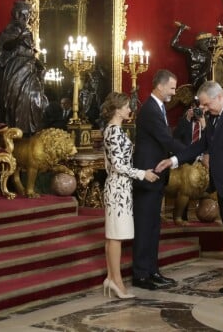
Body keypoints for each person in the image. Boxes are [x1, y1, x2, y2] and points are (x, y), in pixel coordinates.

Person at [156, 81, 223, 306]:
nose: (204, 109)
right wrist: (174, 160)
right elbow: (200, 145)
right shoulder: (215, 117)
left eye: (205, 104)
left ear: (217, 97)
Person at [101, 92, 159, 299]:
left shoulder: (113, 130)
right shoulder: (114, 131)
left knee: (114, 236)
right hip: (118, 190)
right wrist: (143, 174)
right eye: (126, 106)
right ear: (117, 109)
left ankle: (111, 278)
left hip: (120, 188)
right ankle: (116, 282)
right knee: (115, 237)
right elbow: (117, 165)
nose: (129, 110)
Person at [132, 69, 184, 291]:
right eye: (172, 88)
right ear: (161, 86)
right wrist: (190, 154)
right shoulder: (151, 110)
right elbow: (165, 138)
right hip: (147, 177)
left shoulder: (158, 107)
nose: (174, 92)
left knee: (153, 227)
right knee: (145, 227)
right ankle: (141, 275)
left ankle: (152, 270)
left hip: (156, 176)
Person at [0, 0, 48, 135]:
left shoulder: (28, 31)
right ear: (17, 14)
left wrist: (36, 62)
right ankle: (15, 131)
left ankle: (29, 131)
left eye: (28, 14)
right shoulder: (11, 29)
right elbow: (5, 46)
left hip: (29, 68)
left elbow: (30, 50)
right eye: (25, 14)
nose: (26, 17)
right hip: (15, 68)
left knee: (34, 98)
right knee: (15, 100)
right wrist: (19, 38)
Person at [171, 22, 214, 91]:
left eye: (209, 42)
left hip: (202, 82)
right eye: (206, 42)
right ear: (201, 42)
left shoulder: (208, 54)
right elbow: (173, 44)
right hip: (191, 81)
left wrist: (197, 79)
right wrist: (180, 29)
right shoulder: (190, 51)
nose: (208, 45)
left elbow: (207, 70)